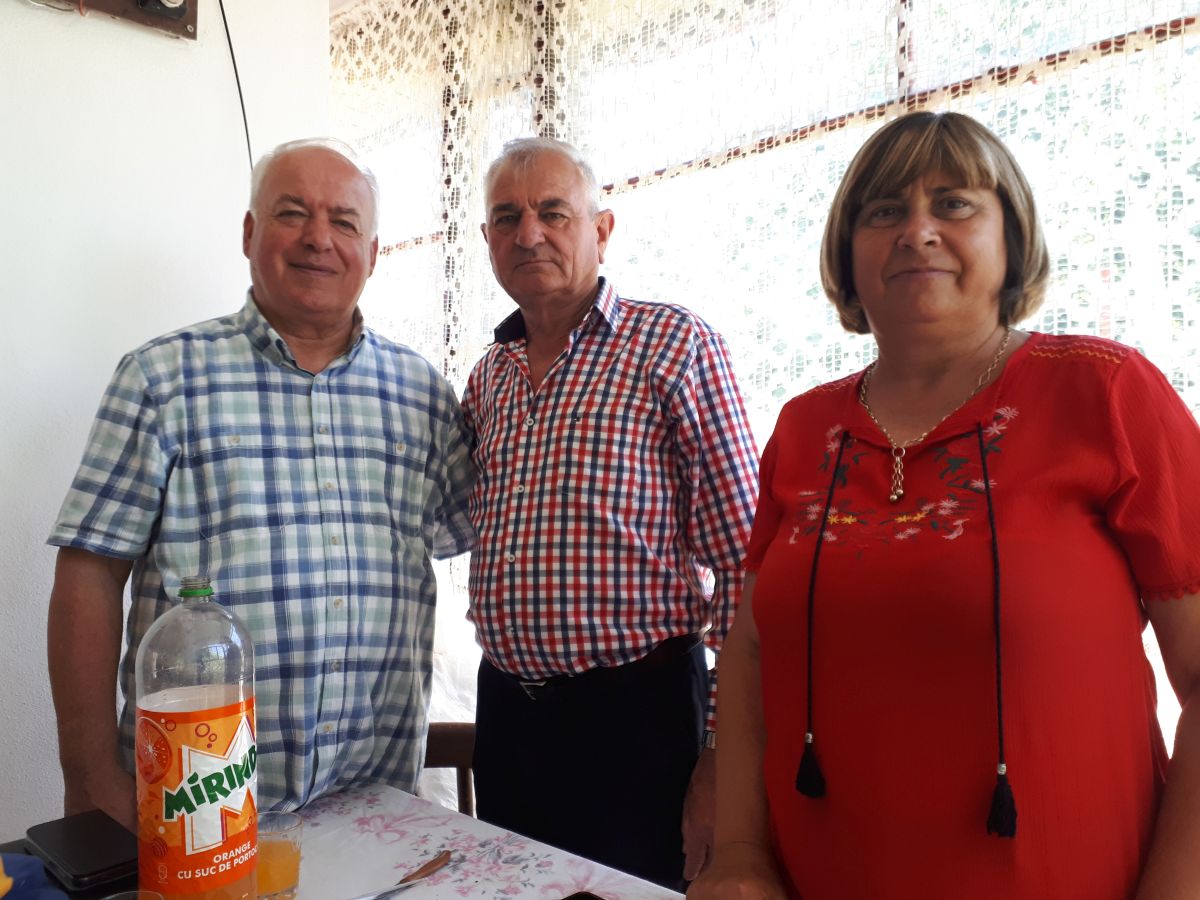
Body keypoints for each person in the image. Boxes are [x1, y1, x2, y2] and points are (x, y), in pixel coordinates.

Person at [689, 110, 1200, 900]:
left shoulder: (1104, 391)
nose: (917, 231)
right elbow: (751, 654)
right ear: (847, 252)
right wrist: (739, 856)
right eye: (884, 211)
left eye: (954, 203)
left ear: (1013, 238)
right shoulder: (804, 427)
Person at [46, 138, 475, 831]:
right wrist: (90, 777)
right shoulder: (161, 379)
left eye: (343, 221)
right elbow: (89, 573)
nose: (318, 238)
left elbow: (490, 531)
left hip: (375, 807)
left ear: (372, 253)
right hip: (197, 806)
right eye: (292, 213)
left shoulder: (423, 394)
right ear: (250, 233)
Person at [462, 136, 759, 889]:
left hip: (638, 721)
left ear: (602, 228)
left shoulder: (673, 346)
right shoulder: (488, 376)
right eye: (507, 218)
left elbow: (747, 565)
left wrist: (722, 755)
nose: (529, 234)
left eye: (553, 212)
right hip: (508, 716)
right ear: (489, 239)